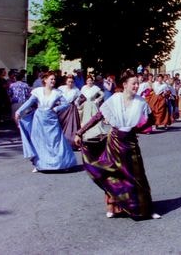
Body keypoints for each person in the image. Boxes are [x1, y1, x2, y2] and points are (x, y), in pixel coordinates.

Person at [74, 69, 160, 220]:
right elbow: (98, 116)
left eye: (137, 84)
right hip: (114, 141)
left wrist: (139, 127)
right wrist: (80, 132)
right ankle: (113, 207)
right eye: (133, 84)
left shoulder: (141, 102)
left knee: (138, 176)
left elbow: (151, 119)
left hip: (131, 142)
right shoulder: (115, 98)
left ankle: (146, 209)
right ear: (125, 85)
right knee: (113, 173)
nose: (136, 86)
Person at [15, 71, 78, 172]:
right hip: (39, 119)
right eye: (51, 79)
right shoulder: (38, 91)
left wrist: (56, 109)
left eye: (54, 79)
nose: (53, 81)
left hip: (51, 119)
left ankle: (63, 163)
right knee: (39, 141)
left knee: (55, 141)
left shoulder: (57, 92)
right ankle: (38, 164)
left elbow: (66, 104)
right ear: (45, 80)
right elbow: (29, 102)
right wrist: (19, 111)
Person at [80, 75, 107, 140]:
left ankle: (96, 133)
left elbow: (103, 94)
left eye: (91, 80)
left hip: (93, 105)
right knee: (86, 119)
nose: (89, 82)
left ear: (93, 81)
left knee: (94, 118)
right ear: (86, 81)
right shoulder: (83, 88)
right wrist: (79, 103)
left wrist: (97, 100)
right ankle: (86, 133)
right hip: (86, 105)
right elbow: (81, 96)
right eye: (88, 80)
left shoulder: (95, 88)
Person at [58, 75, 82, 148]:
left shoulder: (76, 90)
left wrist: (77, 104)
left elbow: (80, 99)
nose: (70, 83)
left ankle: (70, 143)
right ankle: (60, 142)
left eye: (72, 82)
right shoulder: (61, 88)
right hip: (62, 109)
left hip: (71, 109)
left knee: (71, 126)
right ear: (66, 82)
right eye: (69, 81)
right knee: (60, 124)